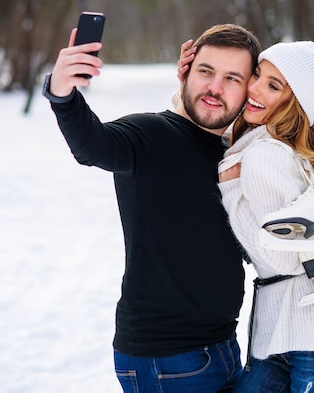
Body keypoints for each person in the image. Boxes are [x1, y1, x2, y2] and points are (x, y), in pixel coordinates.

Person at [42, 23, 262, 392]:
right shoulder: (151, 135)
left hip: (220, 347)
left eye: (232, 78)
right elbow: (92, 145)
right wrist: (63, 94)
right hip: (167, 359)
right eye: (206, 71)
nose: (214, 87)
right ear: (186, 72)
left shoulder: (232, 157)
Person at [179, 31, 314, 392]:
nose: (254, 89)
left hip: (311, 327)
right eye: (257, 74)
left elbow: (286, 260)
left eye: (273, 86)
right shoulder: (270, 140)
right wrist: (187, 82)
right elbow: (207, 121)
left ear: (295, 102)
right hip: (287, 324)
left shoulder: (263, 154)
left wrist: (230, 189)